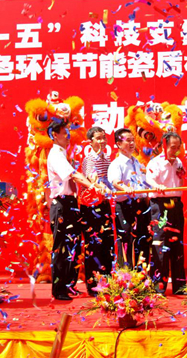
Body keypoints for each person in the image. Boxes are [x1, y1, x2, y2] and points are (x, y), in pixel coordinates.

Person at [47, 120, 97, 301]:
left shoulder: (63, 154)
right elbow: (73, 175)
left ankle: (69, 285)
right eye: (64, 133)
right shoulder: (55, 154)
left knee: (73, 246)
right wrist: (93, 186)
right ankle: (59, 289)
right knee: (61, 248)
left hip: (71, 203)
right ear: (55, 135)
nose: (68, 136)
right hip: (61, 204)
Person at [146, 132, 187, 295]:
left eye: (178, 148)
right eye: (172, 147)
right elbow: (149, 179)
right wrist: (156, 185)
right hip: (160, 204)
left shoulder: (178, 162)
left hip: (176, 204)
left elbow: (180, 180)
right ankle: (158, 286)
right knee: (160, 243)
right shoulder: (155, 162)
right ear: (164, 146)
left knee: (177, 242)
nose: (175, 151)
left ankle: (179, 286)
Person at [108, 128, 152, 269]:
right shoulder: (117, 163)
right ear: (118, 144)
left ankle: (142, 274)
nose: (132, 143)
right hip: (126, 205)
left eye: (133, 140)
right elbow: (115, 181)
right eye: (128, 140)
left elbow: (145, 183)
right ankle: (126, 274)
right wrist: (126, 188)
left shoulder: (137, 163)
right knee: (127, 239)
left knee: (143, 238)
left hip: (141, 205)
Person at [80, 126, 114, 296]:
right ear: (90, 141)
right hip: (91, 206)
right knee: (93, 245)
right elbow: (92, 179)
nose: (102, 141)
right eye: (98, 138)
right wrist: (102, 187)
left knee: (107, 243)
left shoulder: (107, 159)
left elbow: (111, 180)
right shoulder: (89, 159)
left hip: (105, 205)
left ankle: (107, 282)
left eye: (103, 138)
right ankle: (93, 285)